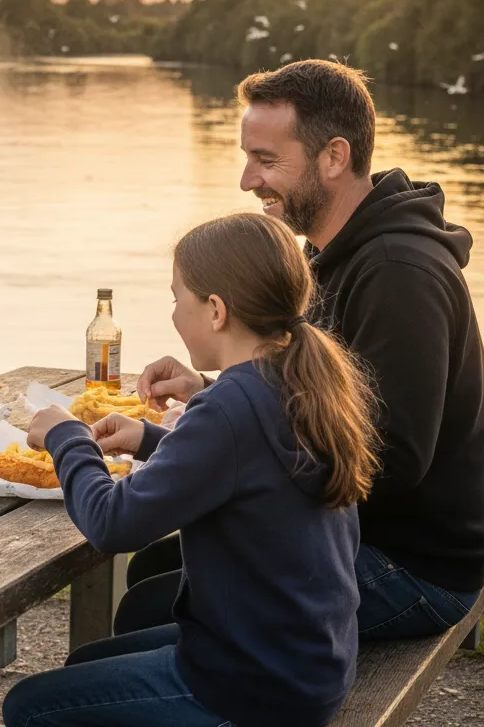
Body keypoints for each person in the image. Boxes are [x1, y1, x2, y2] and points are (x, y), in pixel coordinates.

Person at [129, 60, 484, 641]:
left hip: (415, 566)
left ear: (334, 157)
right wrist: (213, 394)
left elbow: (391, 457)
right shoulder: (334, 253)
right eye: (248, 158)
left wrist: (236, 460)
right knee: (156, 569)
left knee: (156, 602)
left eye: (266, 161)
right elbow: (314, 394)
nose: (247, 181)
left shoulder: (398, 272)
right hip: (358, 534)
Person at [7, 212, 379, 727]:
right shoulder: (299, 380)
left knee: (28, 707)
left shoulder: (229, 404)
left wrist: (65, 435)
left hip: (256, 687)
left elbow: (113, 523)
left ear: (217, 311)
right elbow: (247, 470)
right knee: (84, 665)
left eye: (178, 298)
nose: (175, 314)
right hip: (306, 660)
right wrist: (149, 439)